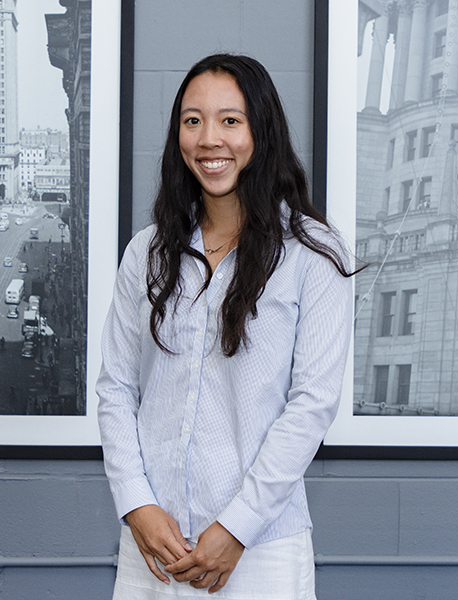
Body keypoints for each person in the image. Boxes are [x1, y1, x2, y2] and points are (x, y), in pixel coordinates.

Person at [97, 53, 354, 600]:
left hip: (260, 553)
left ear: (261, 132)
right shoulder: (146, 253)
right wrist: (137, 504)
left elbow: (311, 405)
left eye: (230, 120)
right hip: (153, 551)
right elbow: (116, 389)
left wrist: (236, 526)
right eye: (192, 120)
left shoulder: (314, 254)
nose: (209, 138)